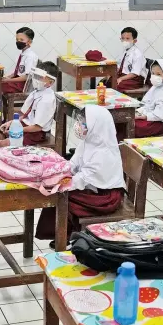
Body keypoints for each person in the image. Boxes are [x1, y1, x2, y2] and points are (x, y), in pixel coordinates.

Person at [35, 105, 125, 247]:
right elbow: (73, 164)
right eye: (80, 121)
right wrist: (57, 171)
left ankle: (67, 235)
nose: (79, 125)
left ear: (96, 126)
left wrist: (60, 183)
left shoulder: (104, 152)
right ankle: (64, 234)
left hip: (106, 197)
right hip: (92, 189)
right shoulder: (88, 143)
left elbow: (83, 179)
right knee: (60, 191)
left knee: (61, 196)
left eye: (84, 123)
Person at [0, 61, 58, 150]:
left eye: (40, 77)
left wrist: (17, 129)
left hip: (36, 134)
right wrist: (11, 123)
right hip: (26, 126)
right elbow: (26, 116)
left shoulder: (47, 100)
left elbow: (37, 127)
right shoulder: (37, 92)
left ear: (50, 82)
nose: (36, 79)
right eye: (36, 76)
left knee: (4, 144)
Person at [134, 59, 163, 138]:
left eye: (158, 74)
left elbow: (160, 115)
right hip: (148, 116)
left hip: (158, 122)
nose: (155, 76)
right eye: (153, 73)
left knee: (135, 126)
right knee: (128, 121)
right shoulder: (156, 86)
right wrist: (139, 112)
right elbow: (146, 102)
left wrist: (144, 116)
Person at [104, 27, 145, 93]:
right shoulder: (125, 51)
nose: (124, 41)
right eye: (123, 38)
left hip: (134, 80)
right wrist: (110, 74)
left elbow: (135, 73)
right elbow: (119, 67)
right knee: (104, 83)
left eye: (127, 39)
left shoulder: (137, 54)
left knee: (115, 86)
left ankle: (118, 102)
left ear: (134, 41)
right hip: (124, 76)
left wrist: (121, 79)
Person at [0, 27, 38, 94]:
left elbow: (27, 77)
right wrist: (7, 77)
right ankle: (3, 104)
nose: (18, 42)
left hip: (23, 86)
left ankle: (1, 104)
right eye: (17, 39)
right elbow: (17, 73)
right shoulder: (23, 54)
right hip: (17, 82)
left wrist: (10, 80)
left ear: (30, 41)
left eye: (21, 39)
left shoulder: (30, 56)